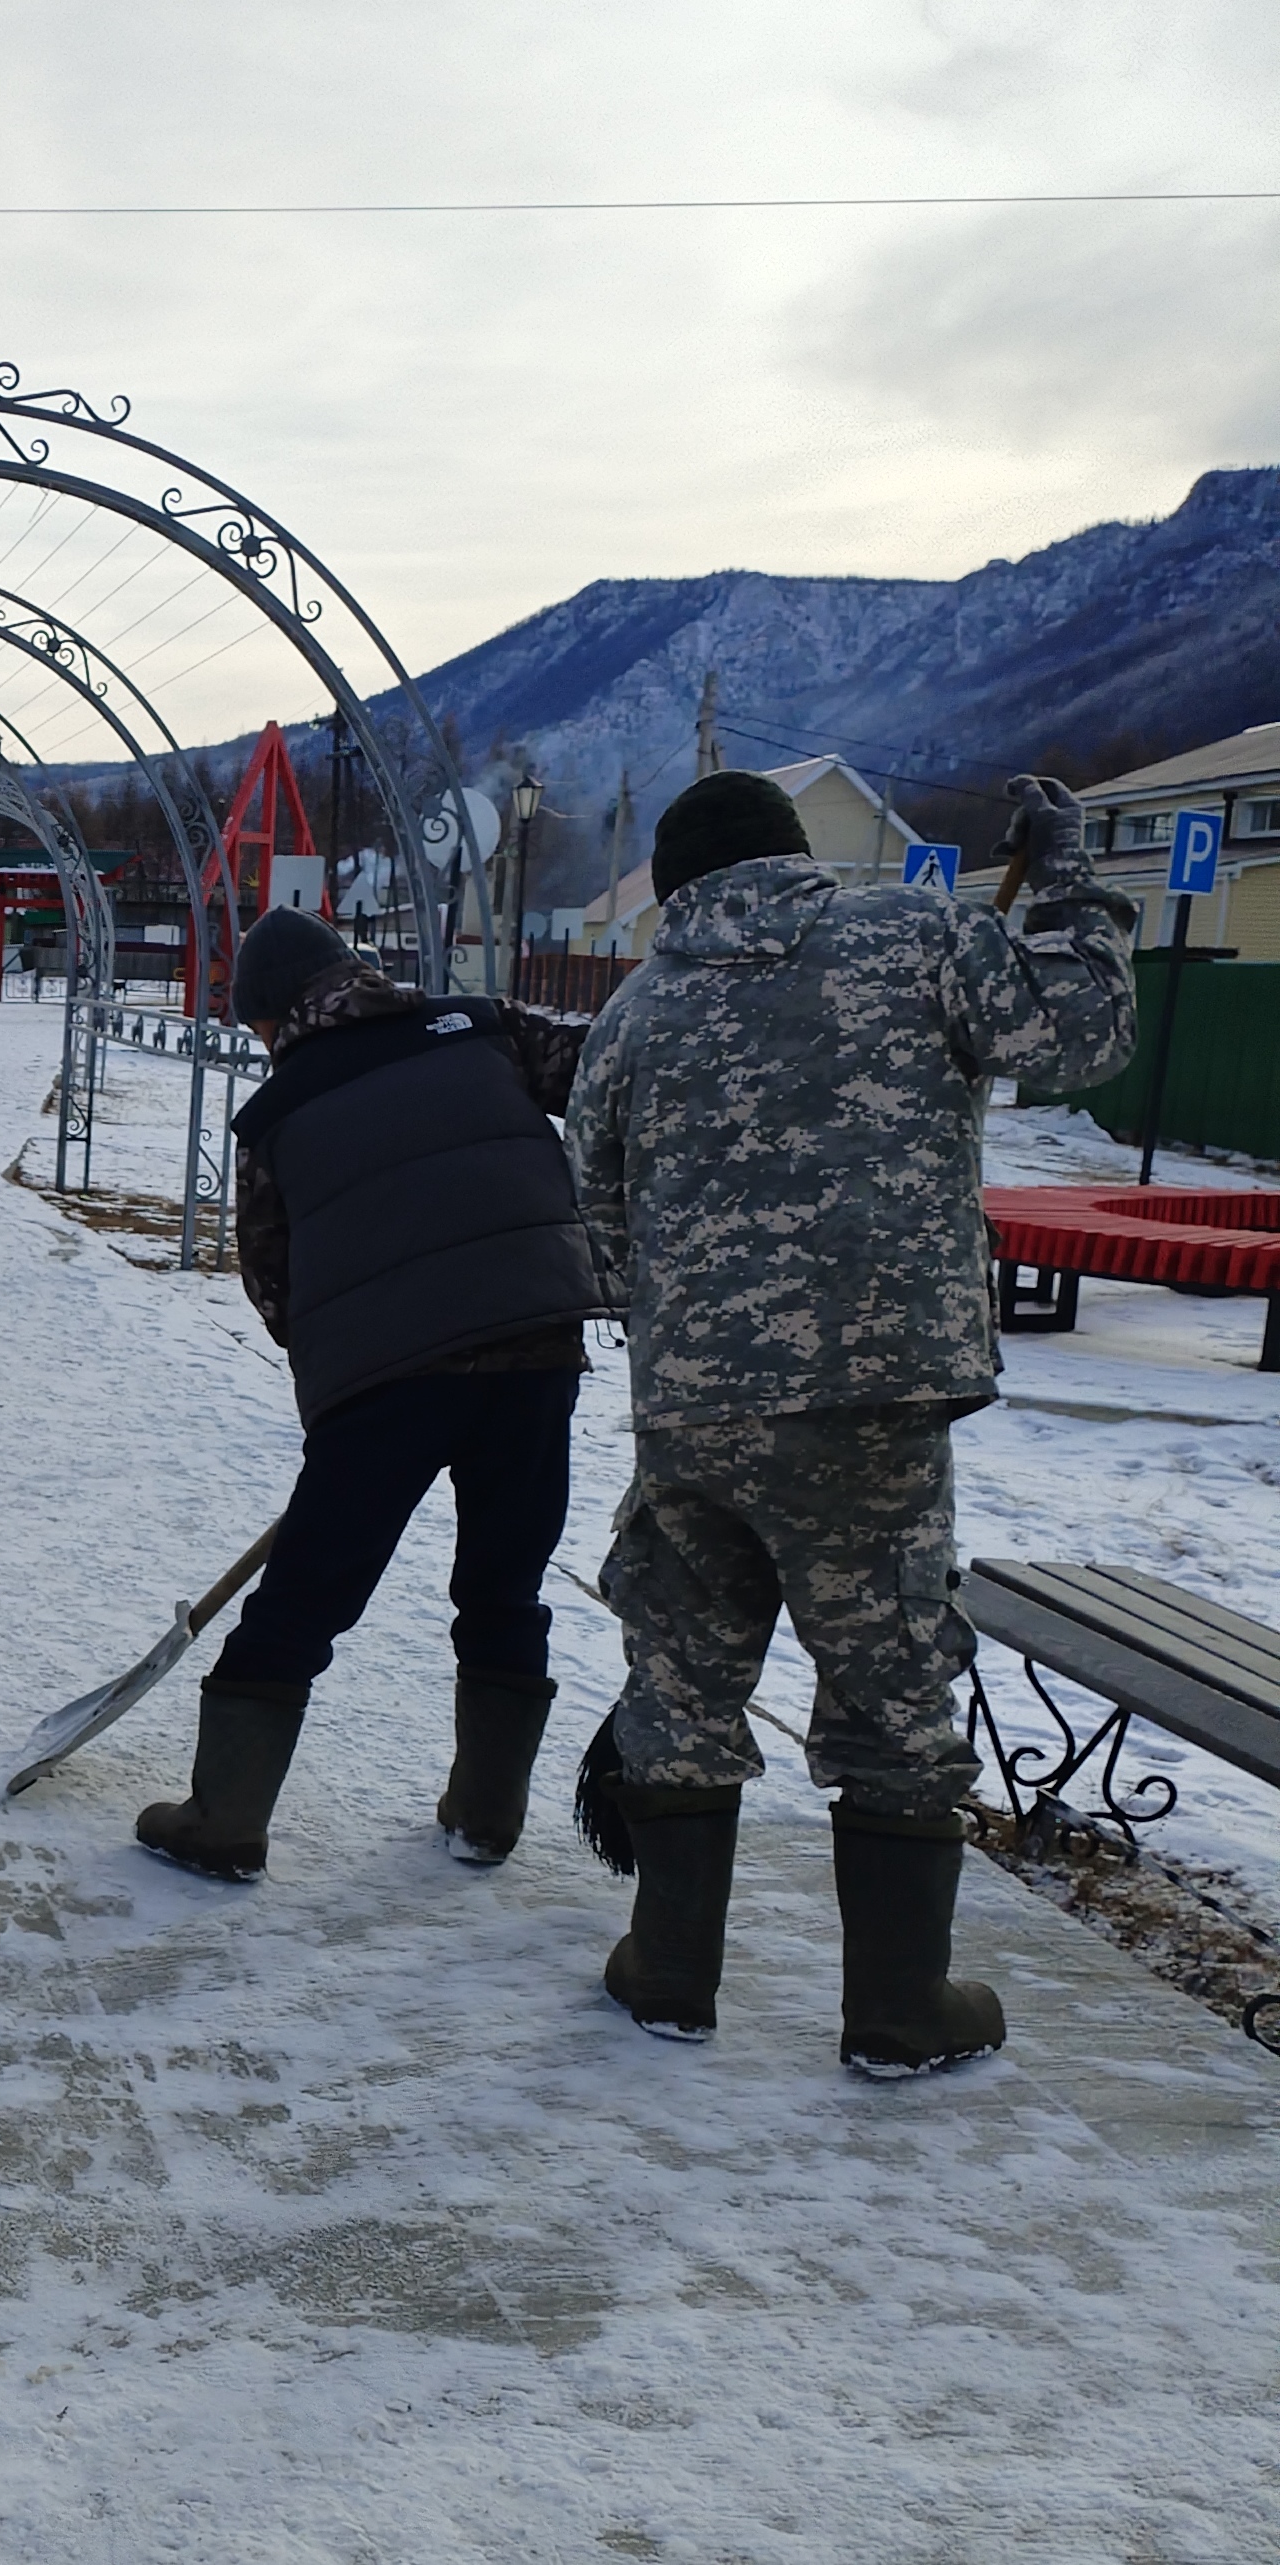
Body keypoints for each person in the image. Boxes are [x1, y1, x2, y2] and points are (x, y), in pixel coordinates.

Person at [567, 769, 1136, 2073]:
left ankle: (666, 1970)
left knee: (681, 1666)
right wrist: (1065, 884)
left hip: (692, 1400)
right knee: (886, 1680)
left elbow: (598, 1234)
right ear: (797, 853)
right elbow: (1081, 1034)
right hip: (870, 1396)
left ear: (669, 887)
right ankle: (894, 2010)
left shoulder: (636, 1011)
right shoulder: (915, 933)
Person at [137, 906, 614, 1881]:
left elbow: (270, 1282)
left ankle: (222, 1820)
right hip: (534, 1349)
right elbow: (609, 1081)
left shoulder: (276, 1114)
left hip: (384, 1381)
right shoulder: (484, 1028)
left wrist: (347, 1371)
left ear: (272, 1018)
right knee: (503, 1584)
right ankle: (485, 1817)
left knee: (303, 1600)